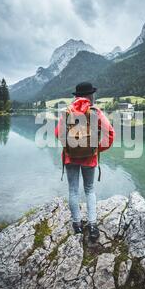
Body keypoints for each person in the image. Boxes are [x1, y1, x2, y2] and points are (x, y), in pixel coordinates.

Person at [55, 82, 115, 241]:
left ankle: (77, 225)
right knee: (89, 189)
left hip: (70, 157)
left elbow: (58, 134)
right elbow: (110, 134)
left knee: (73, 190)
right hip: (90, 158)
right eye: (92, 94)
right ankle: (93, 226)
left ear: (76, 96)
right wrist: (96, 150)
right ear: (90, 96)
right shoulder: (95, 111)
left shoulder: (67, 112)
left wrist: (69, 148)